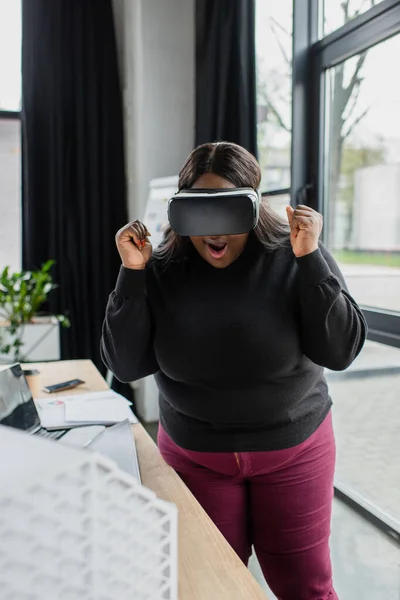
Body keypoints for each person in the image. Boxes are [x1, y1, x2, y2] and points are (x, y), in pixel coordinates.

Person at [101, 142, 367, 600]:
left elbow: (341, 349)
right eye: (200, 211)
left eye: (227, 207)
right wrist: (132, 273)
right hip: (195, 457)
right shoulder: (161, 268)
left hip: (294, 452)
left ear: (253, 204)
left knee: (306, 589)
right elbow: (124, 364)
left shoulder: (292, 254)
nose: (215, 232)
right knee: (210, 588)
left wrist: (311, 259)